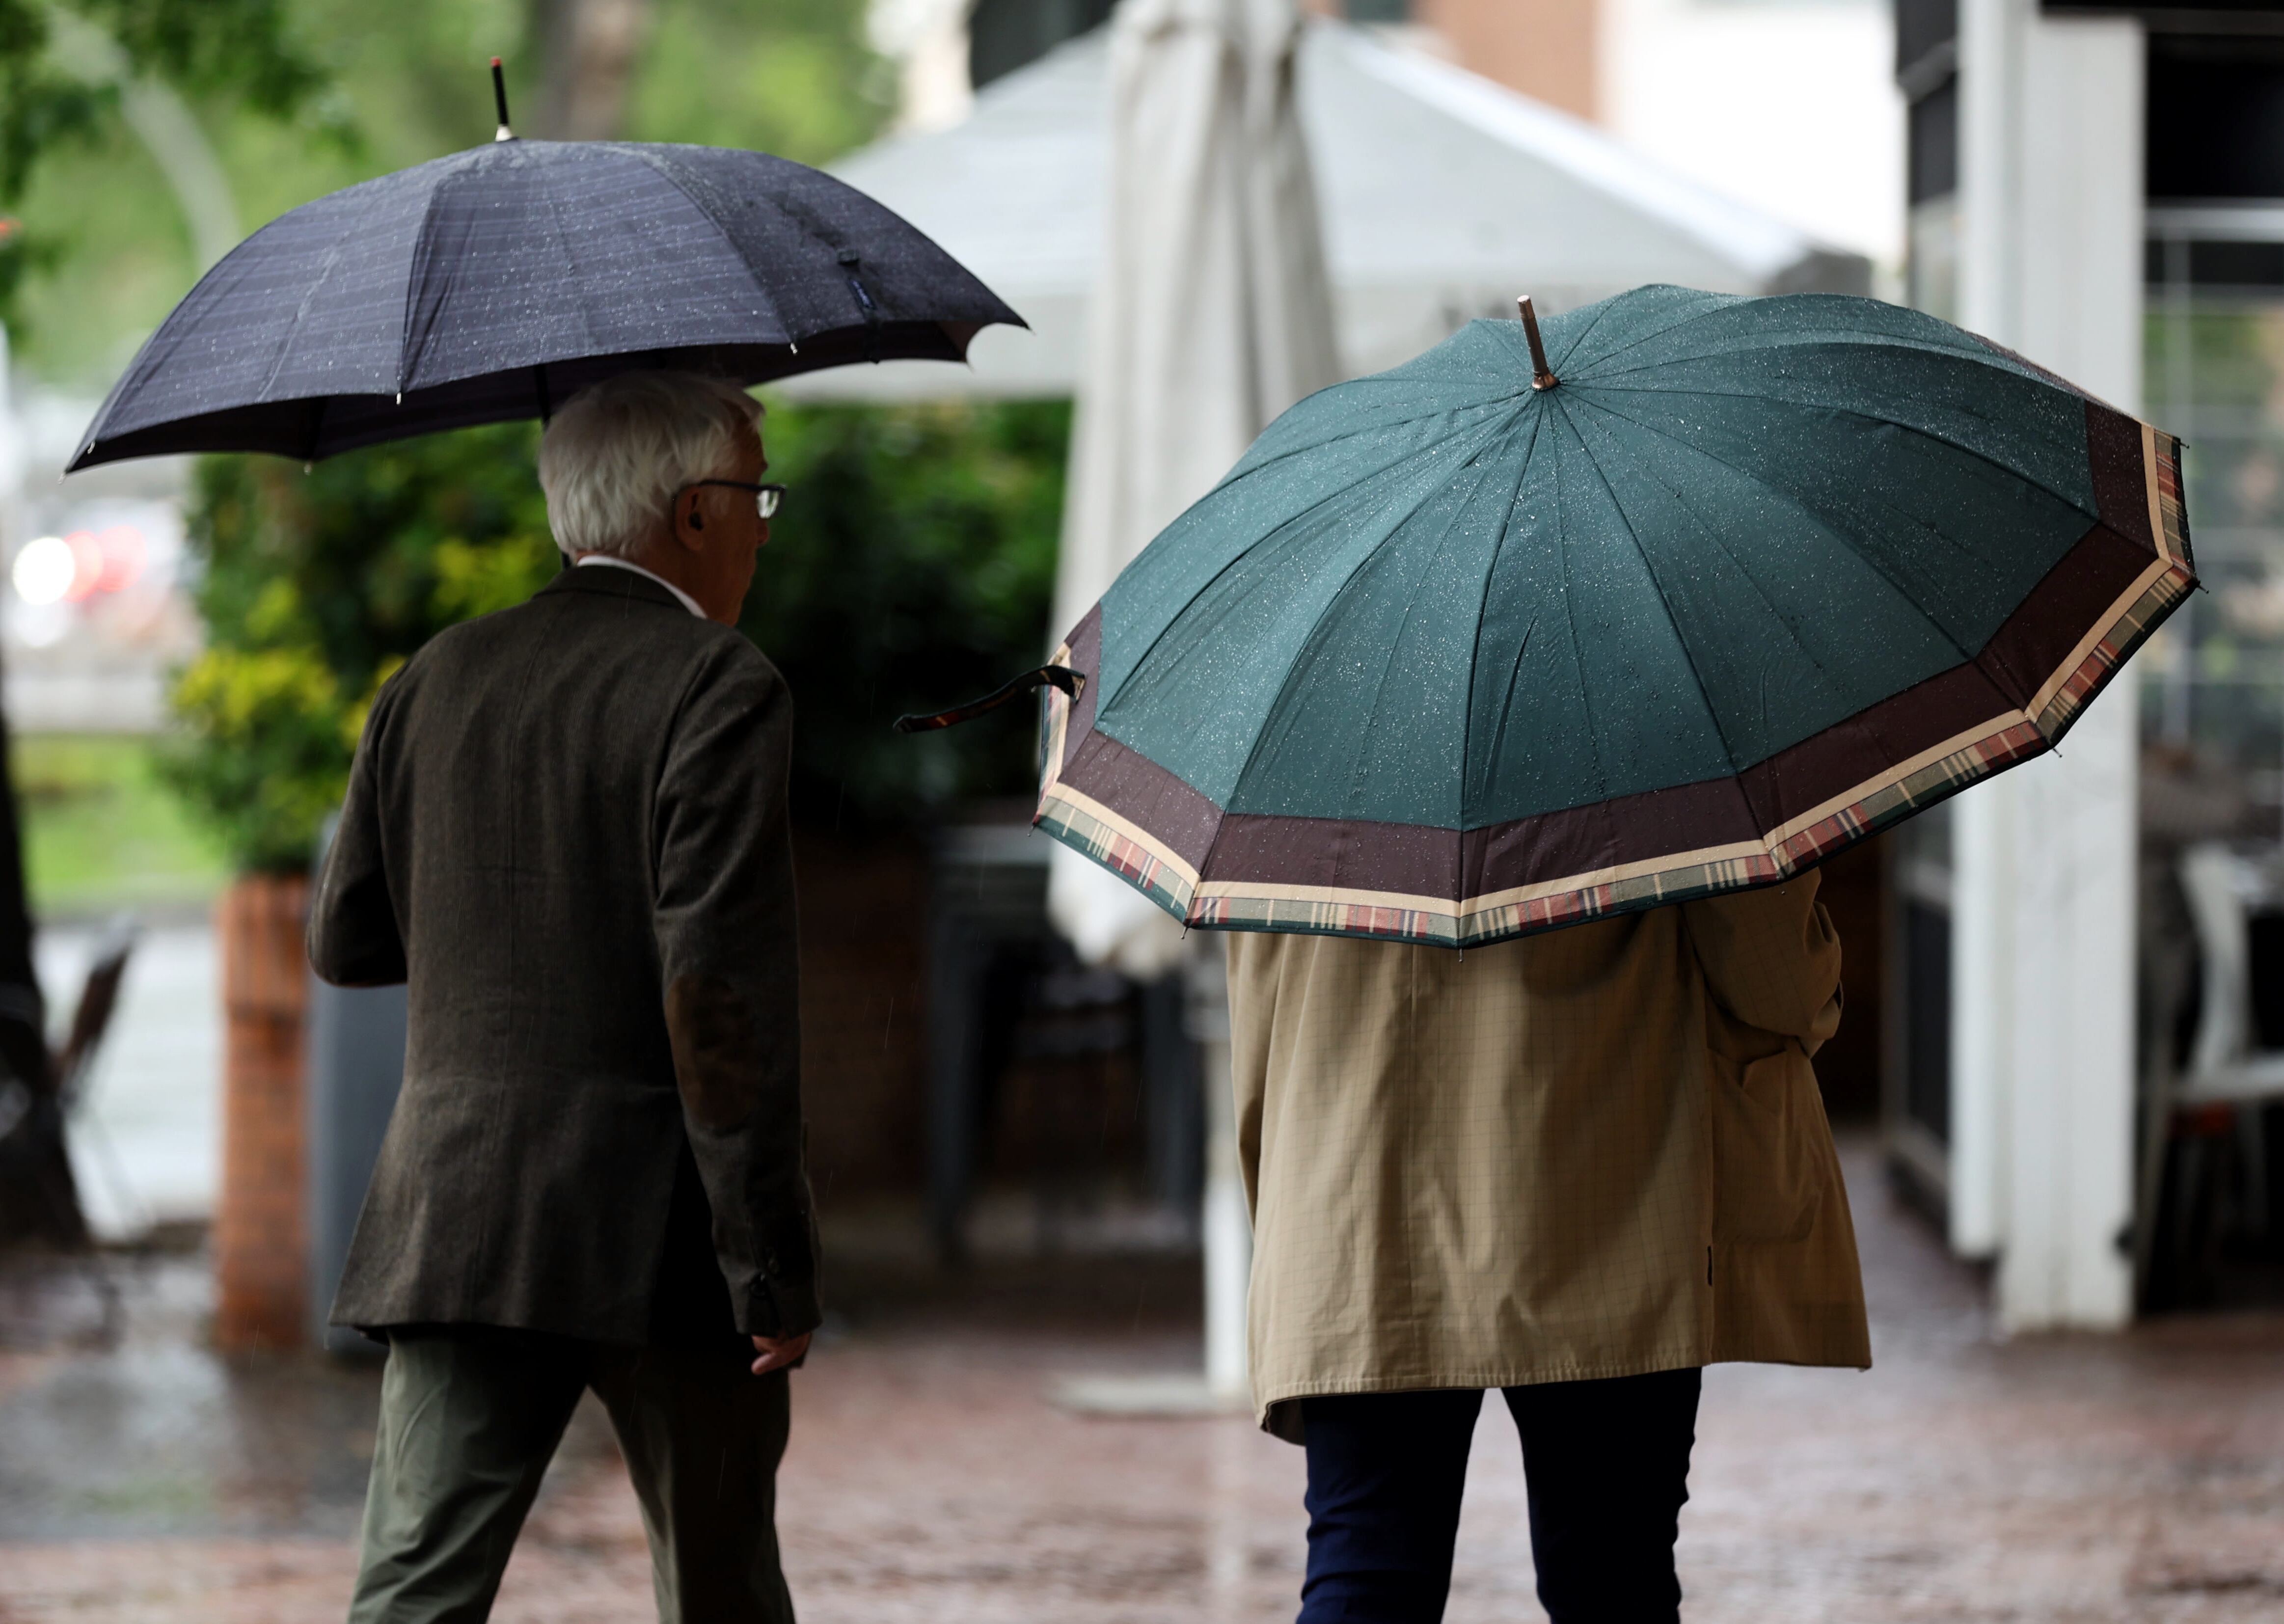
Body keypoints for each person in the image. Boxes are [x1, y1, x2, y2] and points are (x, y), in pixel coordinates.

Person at [309, 370, 816, 1624]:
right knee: (721, 1596)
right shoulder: (719, 683)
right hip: (660, 1232)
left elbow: (346, 936)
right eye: (756, 493)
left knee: (411, 1596)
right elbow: (715, 993)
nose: (763, 520)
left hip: (456, 1213)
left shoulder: (437, 672)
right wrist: (769, 1266)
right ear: (691, 511)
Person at [1225, 874, 1869, 1624]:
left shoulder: (1294, 772)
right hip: (1608, 1180)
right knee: (1611, 1573)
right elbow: (1774, 978)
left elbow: (1259, 1010)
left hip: (1354, 1187)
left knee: (1366, 1568)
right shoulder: (1651, 752)